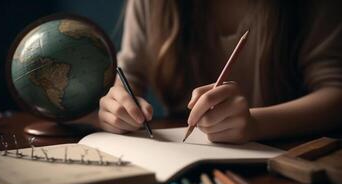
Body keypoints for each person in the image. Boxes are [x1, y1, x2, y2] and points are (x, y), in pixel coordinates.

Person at [99, 0, 342, 143]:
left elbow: (335, 94)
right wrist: (118, 102)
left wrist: (257, 123)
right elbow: (129, 75)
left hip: (281, 157)